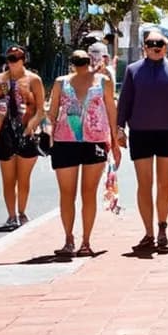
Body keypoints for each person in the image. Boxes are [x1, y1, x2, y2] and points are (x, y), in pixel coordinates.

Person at [116, 30, 168, 252]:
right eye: (151, 43)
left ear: (166, 47)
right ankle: (148, 232)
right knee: (144, 184)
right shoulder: (133, 71)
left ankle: (162, 227)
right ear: (144, 47)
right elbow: (125, 102)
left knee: (165, 183)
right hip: (140, 133)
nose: (155, 46)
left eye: (160, 43)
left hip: (167, 132)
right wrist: (119, 128)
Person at [45, 50, 119, 256]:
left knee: (88, 193)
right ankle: (69, 239)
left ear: (90, 61)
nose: (81, 64)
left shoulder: (103, 81)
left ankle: (86, 241)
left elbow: (112, 111)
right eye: (78, 61)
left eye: (84, 61)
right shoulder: (61, 82)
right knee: (67, 194)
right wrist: (45, 131)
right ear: (73, 64)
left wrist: (115, 141)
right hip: (65, 141)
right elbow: (52, 113)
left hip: (94, 141)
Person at [0, 45, 45, 229]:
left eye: (17, 57)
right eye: (10, 57)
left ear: (23, 59)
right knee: (8, 179)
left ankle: (22, 212)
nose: (13, 61)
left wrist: (31, 127)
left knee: (24, 178)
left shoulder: (34, 79)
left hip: (27, 132)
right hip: (6, 134)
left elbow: (41, 110)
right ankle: (11, 215)